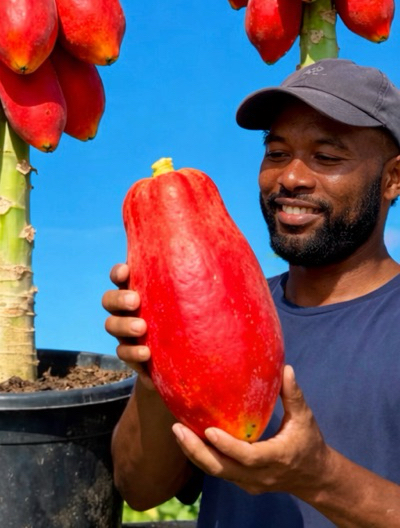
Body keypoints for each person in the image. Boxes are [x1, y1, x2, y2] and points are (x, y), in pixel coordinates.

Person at [103, 58, 400, 527]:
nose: (291, 178)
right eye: (277, 153)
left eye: (326, 157)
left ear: (392, 179)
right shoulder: (217, 313)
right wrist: (155, 373)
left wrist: (319, 477)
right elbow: (141, 489)